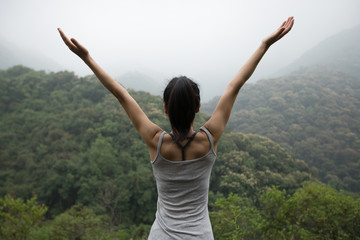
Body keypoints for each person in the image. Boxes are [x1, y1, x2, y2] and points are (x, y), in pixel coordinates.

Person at [58, 16, 294, 239]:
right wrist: (265, 45)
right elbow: (235, 85)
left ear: (165, 109)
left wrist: (86, 57)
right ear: (198, 107)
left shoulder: (156, 142)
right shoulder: (208, 140)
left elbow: (121, 94)